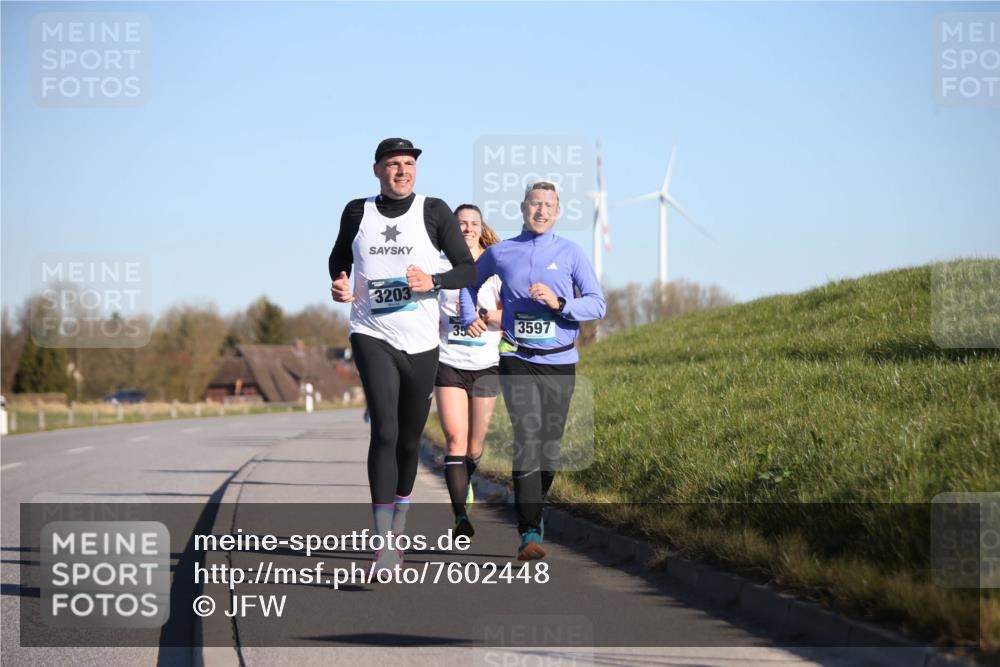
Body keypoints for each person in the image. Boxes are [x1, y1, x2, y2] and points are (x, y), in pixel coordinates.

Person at [329, 138, 475, 576]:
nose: (402, 171)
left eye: (408, 164)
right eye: (393, 164)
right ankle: (382, 542)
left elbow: (469, 269)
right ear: (377, 170)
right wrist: (338, 282)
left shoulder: (434, 211)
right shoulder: (358, 211)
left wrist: (430, 280)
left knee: (411, 440)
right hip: (371, 333)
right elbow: (338, 258)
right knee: (386, 431)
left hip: (422, 342)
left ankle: (400, 525)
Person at [461, 180, 606, 561]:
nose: (541, 210)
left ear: (558, 212)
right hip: (516, 356)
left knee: (549, 447)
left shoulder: (572, 253)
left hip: (560, 361)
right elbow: (466, 283)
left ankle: (534, 511)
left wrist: (560, 304)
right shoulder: (502, 252)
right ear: (523, 209)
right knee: (527, 437)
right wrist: (467, 314)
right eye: (535, 204)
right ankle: (528, 532)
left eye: (548, 205)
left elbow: (597, 304)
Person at [434, 204, 503, 540]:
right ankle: (460, 514)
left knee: (474, 447)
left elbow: (513, 316)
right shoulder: (439, 266)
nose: (467, 228)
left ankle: (466, 479)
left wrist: (488, 316)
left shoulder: (496, 267)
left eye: (474, 223)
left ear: (481, 227)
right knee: (455, 440)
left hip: (486, 365)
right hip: (448, 363)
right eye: (460, 223)